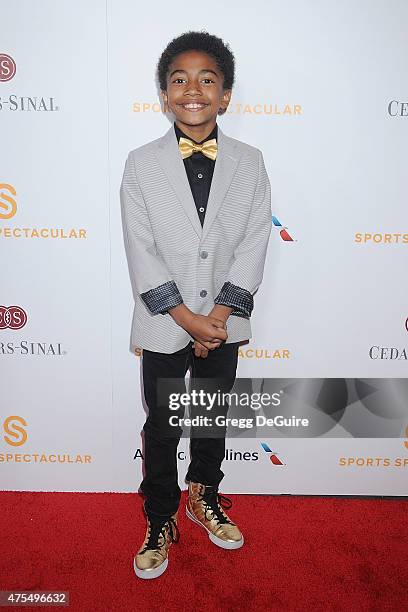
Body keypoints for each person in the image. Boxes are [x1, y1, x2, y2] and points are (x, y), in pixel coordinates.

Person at [120, 30, 272, 580]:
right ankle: (159, 515)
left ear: (225, 94)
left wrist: (222, 315)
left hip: (224, 321)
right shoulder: (140, 164)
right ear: (164, 94)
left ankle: (203, 496)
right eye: (178, 79)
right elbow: (141, 248)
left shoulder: (251, 161)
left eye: (207, 79)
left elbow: (256, 238)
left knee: (211, 416)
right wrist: (186, 317)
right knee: (162, 424)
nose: (193, 89)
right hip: (166, 322)